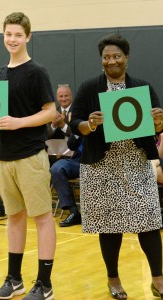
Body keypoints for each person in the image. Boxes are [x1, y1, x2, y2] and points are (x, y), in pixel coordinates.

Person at [0, 12, 57, 300]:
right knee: (14, 218)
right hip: (1, 157)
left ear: (28, 37)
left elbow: (50, 111)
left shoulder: (36, 72)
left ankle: (45, 283)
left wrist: (19, 122)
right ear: (3, 35)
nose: (13, 39)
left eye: (18, 34)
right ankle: (14, 279)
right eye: (8, 34)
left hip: (30, 156)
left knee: (42, 218)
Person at [70, 33, 163, 299]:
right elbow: (74, 124)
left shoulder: (142, 87)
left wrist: (159, 121)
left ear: (126, 58)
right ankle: (113, 279)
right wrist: (89, 125)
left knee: (148, 221)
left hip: (135, 163)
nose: (111, 61)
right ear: (101, 60)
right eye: (106, 57)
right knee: (110, 226)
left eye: (116, 56)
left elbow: (158, 126)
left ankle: (158, 279)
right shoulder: (89, 88)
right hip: (101, 165)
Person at [50, 134, 82, 227]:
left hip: (99, 159)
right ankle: (73, 211)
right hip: (78, 161)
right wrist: (77, 132)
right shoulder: (79, 121)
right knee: (57, 168)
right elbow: (71, 145)